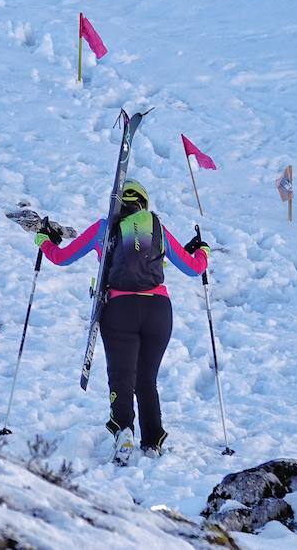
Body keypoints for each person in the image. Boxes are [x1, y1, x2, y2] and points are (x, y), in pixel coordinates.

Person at [34, 179, 209, 463]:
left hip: (119, 308)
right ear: (144, 203)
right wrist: (202, 251)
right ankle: (152, 441)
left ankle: (124, 431)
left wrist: (44, 240)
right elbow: (193, 268)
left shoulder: (104, 228)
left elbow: (62, 257)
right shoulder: (158, 230)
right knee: (146, 379)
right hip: (159, 311)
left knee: (121, 375)